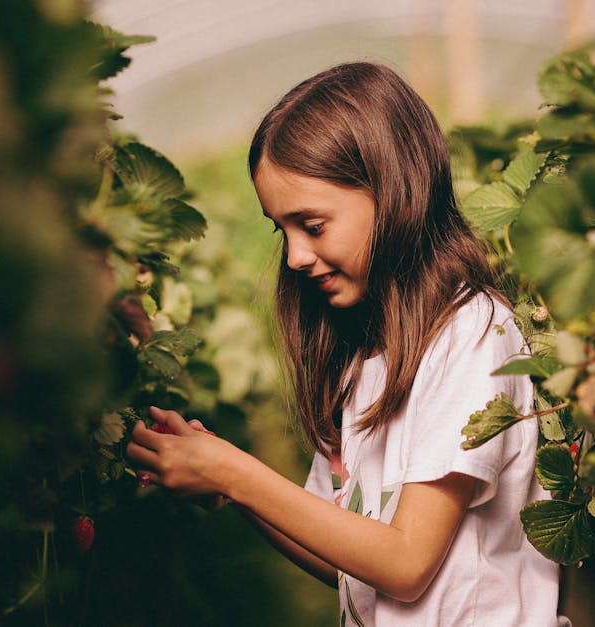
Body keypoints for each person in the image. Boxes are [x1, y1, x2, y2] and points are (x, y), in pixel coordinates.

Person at [125, 61, 561, 626]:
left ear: (393, 189)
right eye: (280, 229)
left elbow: (406, 563)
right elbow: (349, 563)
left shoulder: (470, 333)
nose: (294, 257)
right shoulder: (362, 358)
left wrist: (235, 471)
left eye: (312, 224)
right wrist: (234, 490)